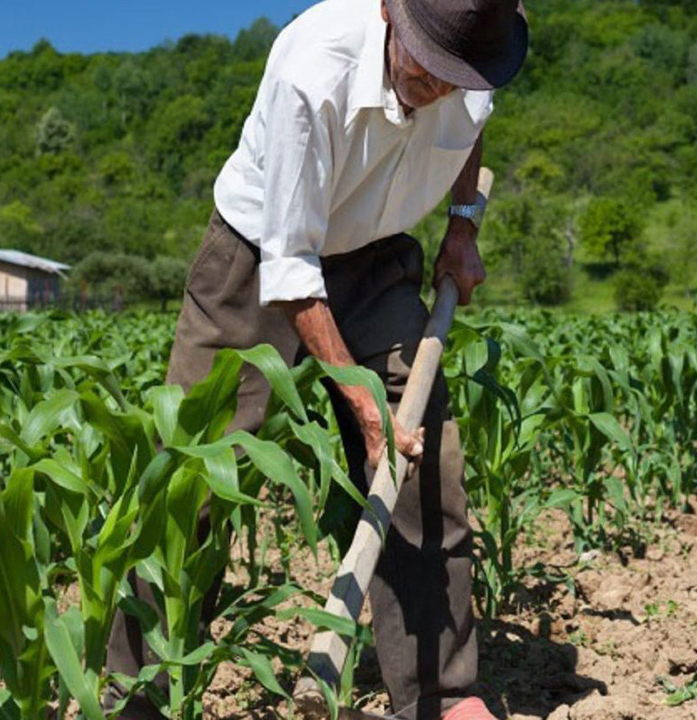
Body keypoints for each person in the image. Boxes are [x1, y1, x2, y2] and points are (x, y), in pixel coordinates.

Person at [104, 1, 528, 718]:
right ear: (393, 12)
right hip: (261, 255)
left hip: (378, 251)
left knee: (425, 462)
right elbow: (292, 269)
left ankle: (439, 696)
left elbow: (470, 129)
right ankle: (134, 696)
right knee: (195, 475)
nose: (440, 85)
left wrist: (461, 227)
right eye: (428, 64)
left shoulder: (475, 54)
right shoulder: (314, 68)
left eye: (457, 76)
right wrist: (365, 412)